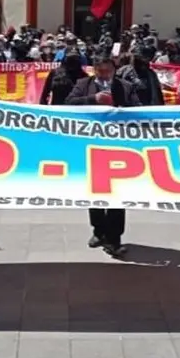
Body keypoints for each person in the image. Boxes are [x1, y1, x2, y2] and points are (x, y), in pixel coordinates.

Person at [67, 55, 139, 257]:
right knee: (95, 193)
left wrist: (121, 111)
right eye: (100, 72)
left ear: (114, 71)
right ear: (94, 71)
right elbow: (68, 103)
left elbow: (140, 110)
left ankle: (114, 239)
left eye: (108, 71)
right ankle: (99, 231)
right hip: (92, 146)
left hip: (119, 148)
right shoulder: (83, 84)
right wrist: (93, 100)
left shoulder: (125, 86)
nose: (104, 75)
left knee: (117, 195)